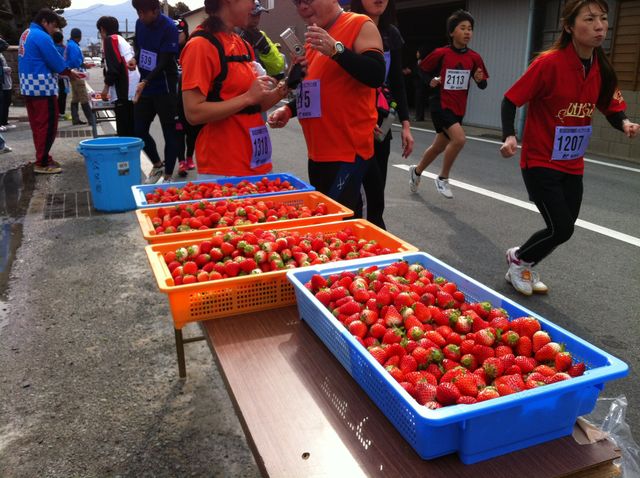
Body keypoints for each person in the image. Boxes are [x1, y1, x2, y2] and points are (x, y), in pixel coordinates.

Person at [499, 0, 639, 296]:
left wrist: (625, 123)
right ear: (569, 27)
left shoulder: (602, 67)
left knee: (564, 227)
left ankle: (524, 259)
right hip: (540, 160)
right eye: (589, 19)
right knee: (561, 228)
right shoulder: (548, 63)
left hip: (573, 163)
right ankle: (519, 261)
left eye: (603, 18)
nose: (600, 26)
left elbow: (611, 106)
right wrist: (509, 135)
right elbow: (510, 99)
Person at [267, 0, 385, 215]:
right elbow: (317, 89)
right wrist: (289, 109)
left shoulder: (359, 23)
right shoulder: (313, 39)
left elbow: (376, 74)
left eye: (308, 0)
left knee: (355, 227)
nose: (302, 7)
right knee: (329, 225)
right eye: (297, 3)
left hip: (350, 155)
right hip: (318, 156)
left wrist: (337, 51)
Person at [180, 0, 288, 179]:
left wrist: (287, 85)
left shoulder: (242, 44)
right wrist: (247, 97)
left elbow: (255, 107)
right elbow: (193, 112)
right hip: (224, 169)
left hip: (258, 163)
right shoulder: (200, 45)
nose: (253, 6)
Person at [408, 9, 488, 199]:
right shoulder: (441, 53)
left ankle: (416, 171)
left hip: (459, 107)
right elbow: (421, 70)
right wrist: (430, 81)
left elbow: (483, 84)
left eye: (470, 29)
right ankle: (443, 178)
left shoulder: (474, 58)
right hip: (440, 104)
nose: (467, 32)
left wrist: (479, 79)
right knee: (459, 139)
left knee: (439, 146)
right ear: (452, 32)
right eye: (463, 28)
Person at [350, 0, 414, 230]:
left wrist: (406, 125)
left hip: (382, 119)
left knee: (377, 191)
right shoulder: (348, 28)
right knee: (356, 192)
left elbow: (397, 81)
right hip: (354, 119)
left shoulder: (391, 34)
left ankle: (372, 234)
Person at [18, 9, 79, 174]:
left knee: (38, 126)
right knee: (47, 126)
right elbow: (55, 61)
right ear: (45, 22)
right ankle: (42, 162)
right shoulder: (42, 36)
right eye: (53, 26)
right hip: (42, 88)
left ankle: (43, 157)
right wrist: (69, 72)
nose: (54, 30)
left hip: (28, 86)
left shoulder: (26, 33)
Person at [131, 0, 179, 183]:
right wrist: (135, 59)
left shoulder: (169, 27)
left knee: (169, 131)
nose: (141, 17)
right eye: (138, 13)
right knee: (139, 129)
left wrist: (146, 80)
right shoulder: (139, 23)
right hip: (145, 85)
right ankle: (157, 165)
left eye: (144, 13)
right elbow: (140, 48)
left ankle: (168, 175)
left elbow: (165, 61)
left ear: (155, 10)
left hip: (165, 86)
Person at [97, 16, 139, 137]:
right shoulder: (121, 39)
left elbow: (113, 68)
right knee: (132, 127)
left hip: (124, 90)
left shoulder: (110, 40)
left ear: (102, 29)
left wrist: (106, 88)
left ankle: (127, 149)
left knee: (124, 130)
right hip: (133, 88)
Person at [240, 1, 286, 79]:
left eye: (259, 15)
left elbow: (278, 67)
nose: (256, 20)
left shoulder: (260, 36)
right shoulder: (231, 34)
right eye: (253, 15)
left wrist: (266, 50)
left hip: (260, 83)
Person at [174, 17, 196, 177]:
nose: (176, 36)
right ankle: (181, 161)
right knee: (178, 132)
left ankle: (189, 157)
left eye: (179, 33)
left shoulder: (192, 47)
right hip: (175, 100)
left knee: (192, 132)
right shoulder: (169, 50)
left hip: (191, 96)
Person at [65, 28, 92, 125]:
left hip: (73, 73)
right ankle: (91, 119)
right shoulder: (73, 46)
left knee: (76, 97)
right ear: (79, 37)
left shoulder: (70, 44)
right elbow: (74, 61)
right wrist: (83, 64)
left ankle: (75, 119)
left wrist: (83, 64)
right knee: (83, 96)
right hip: (77, 74)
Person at [51, 31, 69, 121]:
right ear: (62, 39)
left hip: (53, 76)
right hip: (63, 76)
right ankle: (61, 113)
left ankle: (56, 113)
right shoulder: (64, 49)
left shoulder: (51, 48)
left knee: (56, 95)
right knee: (63, 94)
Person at [0, 36, 15, 131]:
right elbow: (5, 45)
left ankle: (4, 121)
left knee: (7, 101)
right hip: (2, 81)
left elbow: (6, 45)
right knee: (3, 102)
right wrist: (6, 69)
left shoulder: (1, 54)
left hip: (5, 81)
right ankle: (1, 122)